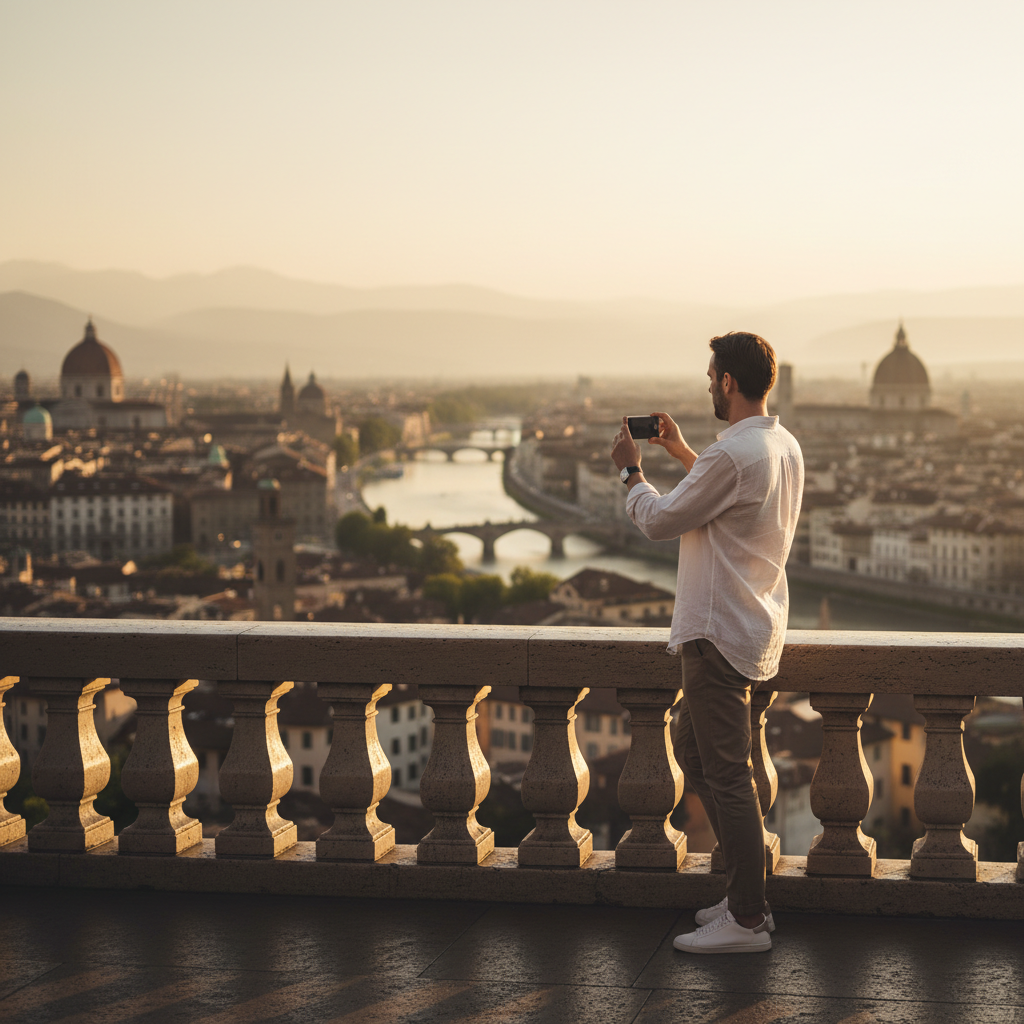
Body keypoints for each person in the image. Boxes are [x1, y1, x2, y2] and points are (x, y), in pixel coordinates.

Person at [610, 331, 804, 955]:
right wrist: (682, 451)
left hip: (718, 632)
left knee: (728, 776)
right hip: (754, 623)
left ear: (726, 381)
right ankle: (744, 891)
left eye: (711, 374)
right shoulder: (780, 446)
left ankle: (747, 918)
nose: (708, 384)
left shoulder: (733, 455)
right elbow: (729, 500)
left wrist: (631, 471)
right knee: (694, 747)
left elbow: (662, 520)